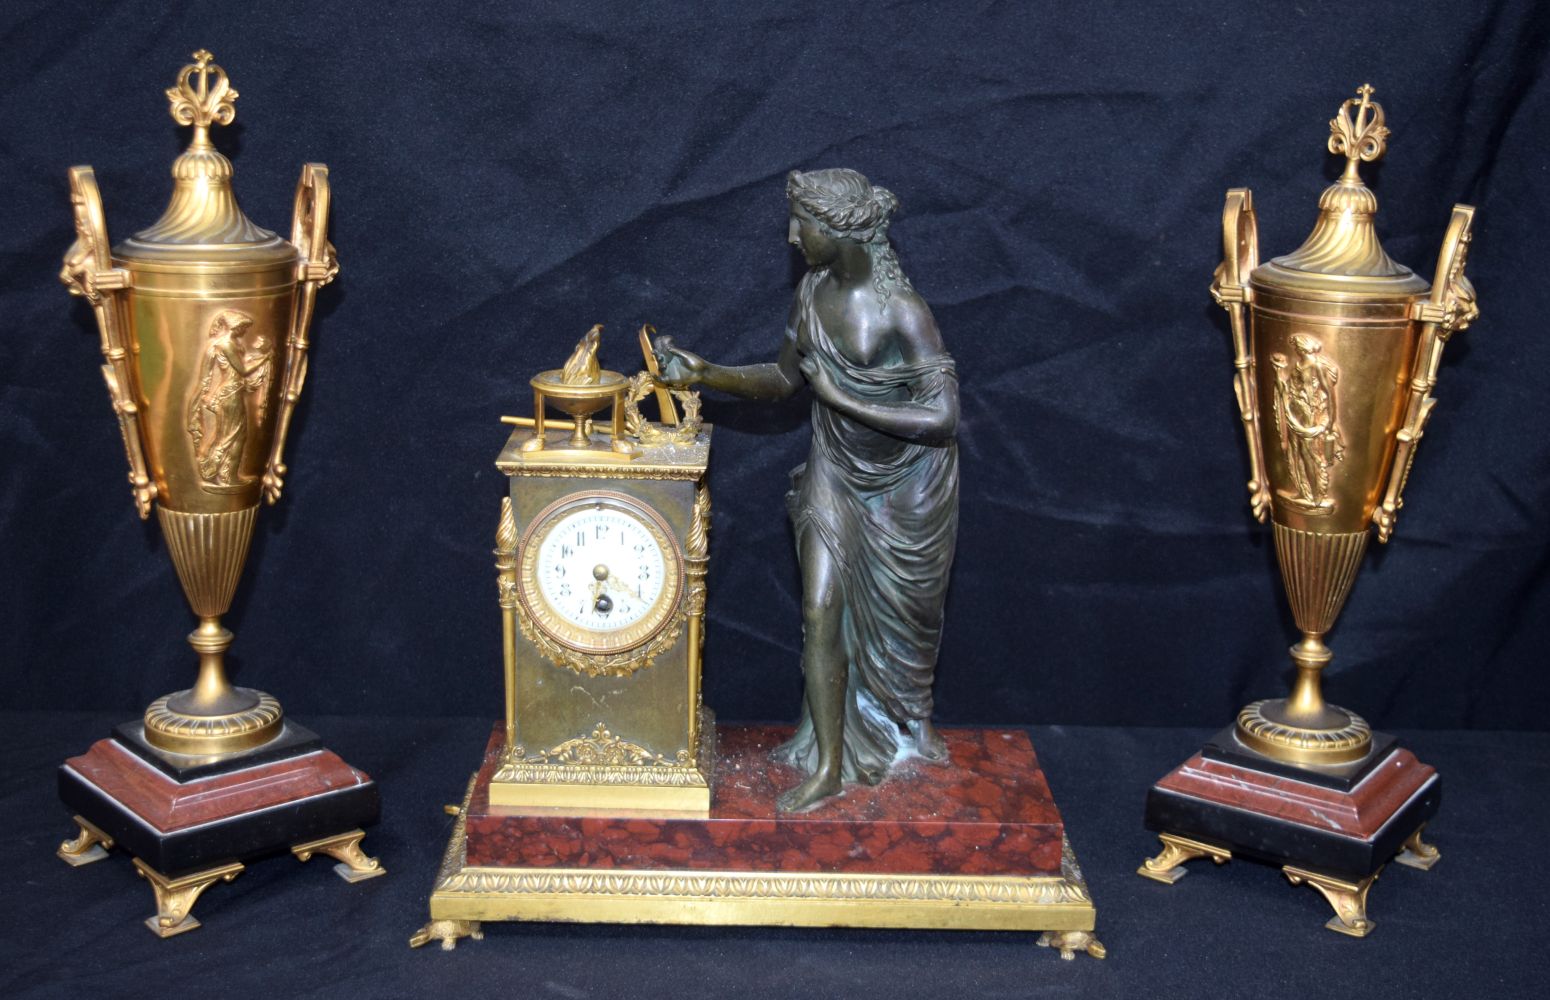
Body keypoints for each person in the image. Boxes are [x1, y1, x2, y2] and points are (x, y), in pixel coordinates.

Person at [657, 168, 959, 812]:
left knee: (904, 627)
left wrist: (843, 396)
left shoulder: (902, 311)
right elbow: (782, 378)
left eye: (806, 225)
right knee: (820, 610)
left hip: (907, 487)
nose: (794, 237)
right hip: (833, 471)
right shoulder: (813, 293)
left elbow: (942, 419)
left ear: (842, 230)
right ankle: (826, 765)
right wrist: (707, 372)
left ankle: (903, 721)